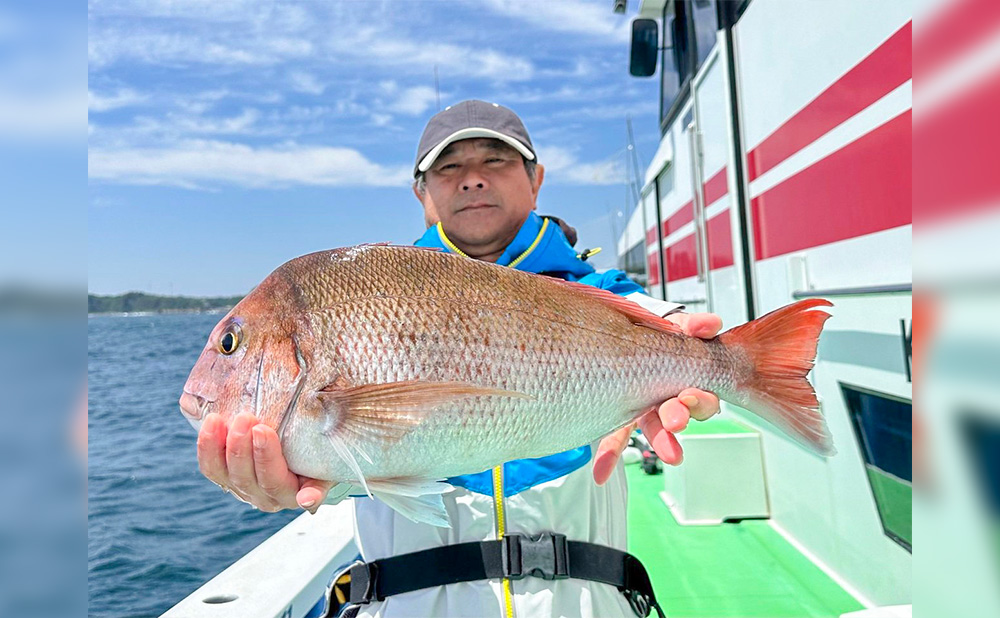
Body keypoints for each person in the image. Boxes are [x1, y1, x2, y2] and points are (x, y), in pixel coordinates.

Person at [197, 100, 721, 617]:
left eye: (496, 160)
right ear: (422, 194)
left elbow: (661, 323)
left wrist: (700, 360)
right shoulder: (372, 292)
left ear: (535, 179)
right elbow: (340, 475)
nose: (472, 179)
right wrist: (289, 481)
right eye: (449, 167)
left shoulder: (603, 295)